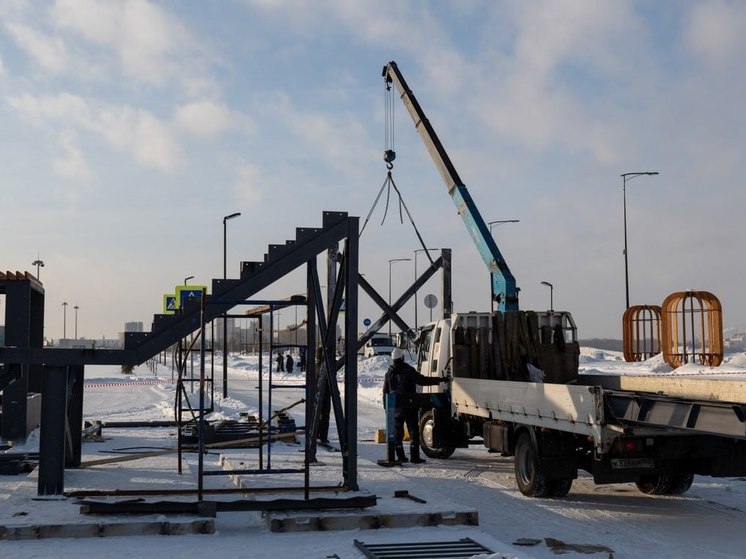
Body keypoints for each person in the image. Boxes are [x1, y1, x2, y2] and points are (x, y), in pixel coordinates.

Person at [382, 347, 441, 464]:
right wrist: (438, 380)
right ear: (402, 358)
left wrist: (387, 408)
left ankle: (401, 457)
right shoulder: (409, 370)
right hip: (410, 406)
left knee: (398, 434)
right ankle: (415, 457)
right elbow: (422, 380)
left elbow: (385, 392)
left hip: (395, 408)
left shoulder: (389, 374)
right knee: (414, 432)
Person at [315, 346, 331, 443]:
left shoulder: (316, 366)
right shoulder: (325, 368)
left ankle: (316, 433)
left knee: (317, 415)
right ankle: (323, 436)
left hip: (316, 394)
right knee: (325, 416)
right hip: (325, 395)